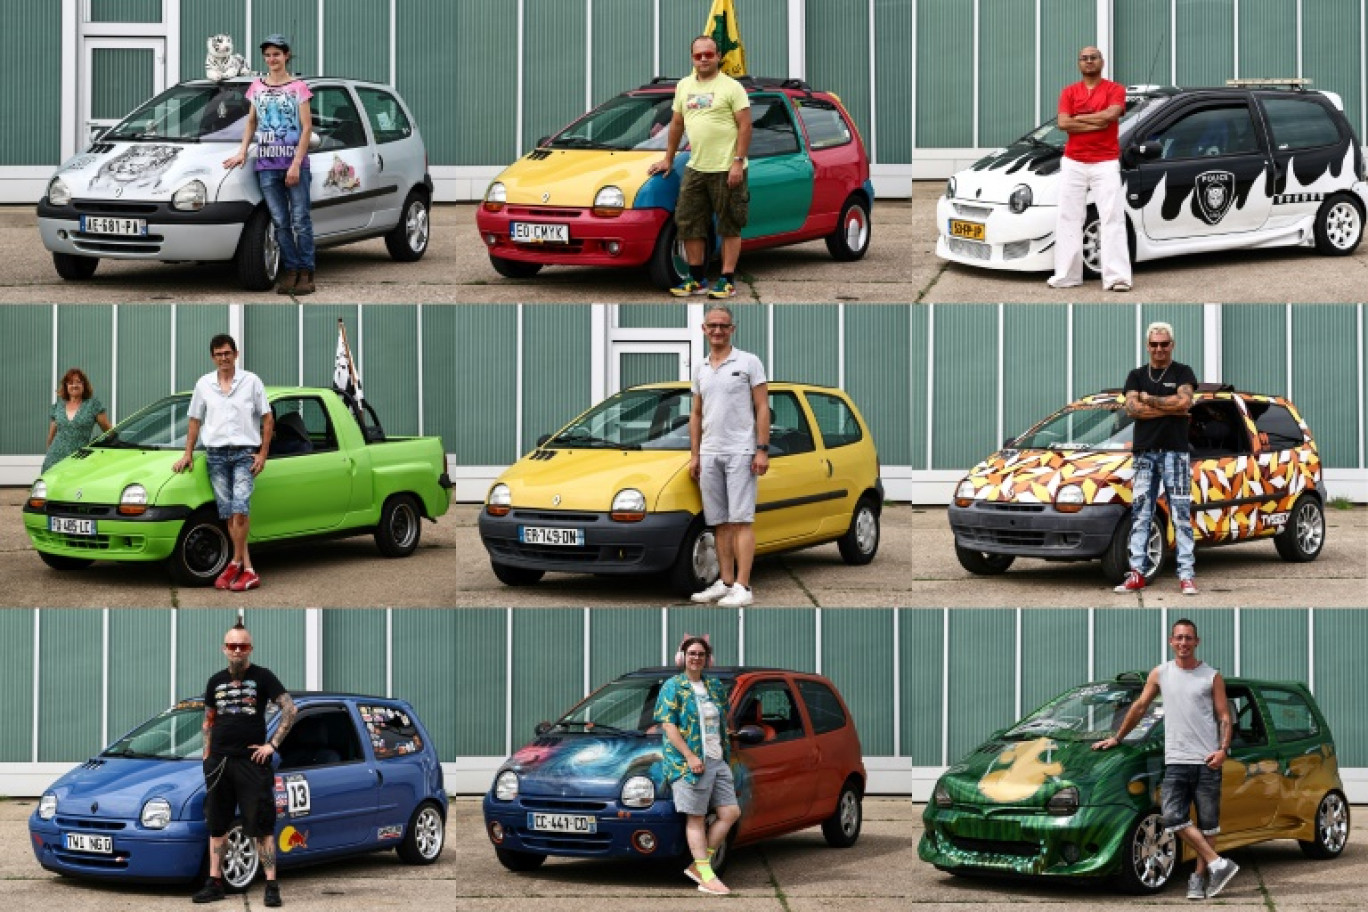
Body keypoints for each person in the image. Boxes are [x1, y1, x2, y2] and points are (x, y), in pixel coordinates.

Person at [1093, 618, 1239, 900]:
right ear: (1171, 641)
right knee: (1173, 817)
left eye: (1189, 638)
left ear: (1197, 642)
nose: (1183, 643)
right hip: (1176, 760)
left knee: (1209, 824)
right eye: (1179, 638)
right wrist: (1118, 738)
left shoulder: (1211, 676)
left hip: (1208, 760)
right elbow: (1139, 707)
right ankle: (1218, 863)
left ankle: (1199, 879)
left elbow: (1224, 716)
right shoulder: (1161, 673)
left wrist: (1223, 750)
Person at [194, 620, 297, 906]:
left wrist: (272, 745)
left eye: (242, 646)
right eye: (231, 646)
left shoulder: (263, 677)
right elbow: (209, 721)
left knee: (262, 827)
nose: (236, 650)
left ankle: (271, 886)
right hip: (219, 763)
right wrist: (207, 756)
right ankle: (215, 882)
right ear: (223, 649)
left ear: (250, 648)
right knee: (217, 826)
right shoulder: (215, 681)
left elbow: (290, 709)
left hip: (252, 763)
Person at [647, 35, 752, 300]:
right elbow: (677, 124)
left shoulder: (731, 87)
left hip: (727, 166)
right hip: (696, 168)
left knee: (729, 225)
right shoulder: (684, 86)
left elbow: (745, 125)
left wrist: (738, 162)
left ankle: (727, 280)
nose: (703, 59)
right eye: (698, 55)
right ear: (692, 58)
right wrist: (668, 159)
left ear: (718, 56)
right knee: (688, 223)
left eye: (708, 54)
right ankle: (696, 279)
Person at [173, 334, 274, 591]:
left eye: (227, 353)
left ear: (236, 354)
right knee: (228, 513)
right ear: (212, 357)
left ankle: (235, 562)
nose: (223, 358)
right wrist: (187, 453)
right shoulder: (204, 384)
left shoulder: (251, 382)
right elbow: (194, 420)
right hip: (215, 455)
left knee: (240, 509)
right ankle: (247, 570)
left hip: (244, 454)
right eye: (218, 354)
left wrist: (262, 453)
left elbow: (268, 419)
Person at [688, 305, 769, 608]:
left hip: (741, 451)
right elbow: (696, 414)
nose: (718, 330)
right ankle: (724, 582)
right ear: (704, 330)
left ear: (732, 329)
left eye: (724, 326)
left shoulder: (749, 362)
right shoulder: (700, 369)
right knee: (719, 522)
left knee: (741, 521)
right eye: (713, 326)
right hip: (710, 453)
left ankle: (743, 586)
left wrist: (762, 449)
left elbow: (762, 407)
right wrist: (695, 455)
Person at [224, 33, 316, 296]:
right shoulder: (257, 87)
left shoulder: (299, 88)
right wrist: (243, 151)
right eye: (267, 55)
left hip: (294, 164)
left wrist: (297, 164)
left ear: (286, 55)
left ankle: (307, 272)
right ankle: (291, 271)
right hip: (266, 164)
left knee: (301, 220)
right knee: (280, 221)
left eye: (277, 54)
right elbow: (251, 122)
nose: (272, 59)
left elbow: (307, 127)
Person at [653, 635, 741, 896]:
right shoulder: (672, 687)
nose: (696, 658)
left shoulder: (714, 687)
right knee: (696, 817)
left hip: (716, 758)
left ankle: (698, 865)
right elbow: (668, 725)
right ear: (682, 657)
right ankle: (705, 874)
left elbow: (721, 721)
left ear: (707, 659)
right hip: (688, 763)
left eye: (701, 654)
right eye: (691, 653)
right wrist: (690, 756)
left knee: (730, 813)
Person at [1116, 321, 1199, 594]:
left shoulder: (1183, 372)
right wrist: (1169, 408)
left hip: (1175, 453)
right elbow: (1132, 410)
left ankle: (1186, 576)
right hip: (1144, 454)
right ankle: (1137, 573)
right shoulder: (1136, 375)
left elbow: (1184, 403)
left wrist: (1149, 400)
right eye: (1154, 344)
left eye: (1164, 344)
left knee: (1181, 515)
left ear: (1172, 344)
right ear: (1147, 346)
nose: (1159, 349)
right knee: (1141, 515)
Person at [1049, 46, 1132, 292]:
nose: (1088, 61)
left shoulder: (1115, 89)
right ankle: (1067, 275)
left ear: (1102, 62)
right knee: (1068, 218)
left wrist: (1079, 121)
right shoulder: (1069, 92)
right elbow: (1063, 123)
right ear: (1079, 63)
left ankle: (1117, 278)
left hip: (1105, 161)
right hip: (1073, 161)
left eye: (1093, 57)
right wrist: (1097, 120)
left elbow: (1111, 115)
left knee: (1112, 218)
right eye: (1084, 58)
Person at [42, 368, 111, 472]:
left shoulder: (93, 405)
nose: (74, 385)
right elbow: (51, 436)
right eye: (70, 383)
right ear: (66, 386)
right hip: (54, 460)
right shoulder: (58, 407)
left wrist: (122, 443)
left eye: (78, 382)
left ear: (84, 385)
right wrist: (48, 456)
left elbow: (108, 430)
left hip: (79, 459)